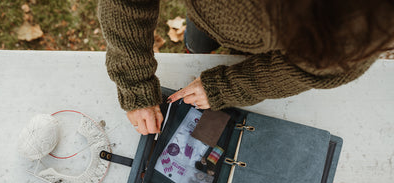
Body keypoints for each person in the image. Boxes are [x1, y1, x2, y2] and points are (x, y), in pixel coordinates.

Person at [98, 0, 394, 135]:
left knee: (237, 53)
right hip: (206, 17)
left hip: (274, 49)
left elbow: (323, 69)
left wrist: (229, 86)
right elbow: (127, 4)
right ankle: (196, 47)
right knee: (199, 41)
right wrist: (134, 82)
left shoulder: (368, 17)